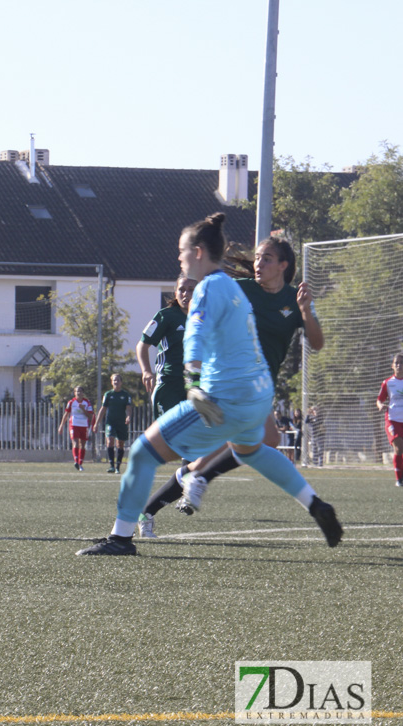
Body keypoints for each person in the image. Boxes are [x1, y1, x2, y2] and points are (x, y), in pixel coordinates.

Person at [78, 213, 342, 555]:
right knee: (254, 450)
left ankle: (122, 537)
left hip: (226, 396)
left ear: (199, 252)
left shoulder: (208, 288)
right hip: (258, 396)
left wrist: (194, 383)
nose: (179, 258)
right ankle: (315, 503)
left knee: (143, 453)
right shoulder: (236, 289)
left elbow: (196, 334)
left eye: (182, 250)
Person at [137, 235, 325, 536]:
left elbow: (317, 343)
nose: (258, 263)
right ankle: (196, 477)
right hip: (226, 377)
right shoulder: (242, 289)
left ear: (283, 265)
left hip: (257, 387)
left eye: (266, 258)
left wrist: (305, 311)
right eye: (257, 257)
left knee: (251, 443)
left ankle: (171, 492)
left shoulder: (295, 300)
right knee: (266, 437)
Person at [137, 275, 197, 416]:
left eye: (191, 290)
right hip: (169, 383)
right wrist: (146, 371)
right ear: (175, 293)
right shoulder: (166, 316)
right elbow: (142, 345)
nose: (185, 294)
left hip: (195, 384)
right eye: (181, 290)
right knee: (166, 433)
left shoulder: (204, 317)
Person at [93, 373, 132, 473]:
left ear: (121, 382)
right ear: (112, 382)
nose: (116, 382)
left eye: (118, 380)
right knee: (110, 441)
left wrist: (128, 417)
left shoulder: (125, 395)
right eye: (114, 380)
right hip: (110, 422)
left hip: (122, 423)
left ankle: (118, 467)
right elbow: (103, 409)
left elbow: (128, 408)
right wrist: (96, 423)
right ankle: (111, 465)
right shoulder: (108, 395)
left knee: (120, 444)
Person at [376, 353, 403, 487]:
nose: (398, 365)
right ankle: (399, 480)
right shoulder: (388, 383)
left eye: (401, 362)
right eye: (396, 363)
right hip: (392, 419)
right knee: (398, 448)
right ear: (392, 366)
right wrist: (381, 405)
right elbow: (379, 399)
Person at [57, 385, 94, 471]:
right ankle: (76, 461)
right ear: (74, 393)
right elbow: (66, 414)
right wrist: (61, 426)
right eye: (77, 391)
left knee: (83, 445)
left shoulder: (87, 403)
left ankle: (80, 464)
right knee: (75, 443)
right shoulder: (71, 402)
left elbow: (90, 416)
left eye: (80, 391)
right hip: (74, 424)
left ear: (83, 393)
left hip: (84, 425)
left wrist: (83, 409)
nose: (78, 393)